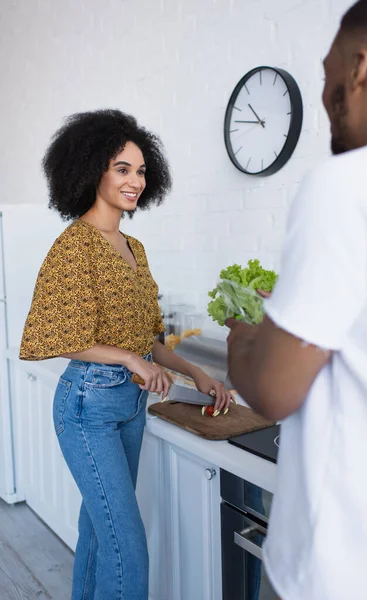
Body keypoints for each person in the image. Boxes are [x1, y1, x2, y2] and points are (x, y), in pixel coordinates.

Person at [20, 109, 232, 600]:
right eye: (122, 168)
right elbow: (55, 334)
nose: (135, 180)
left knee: (100, 535)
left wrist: (195, 371)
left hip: (131, 406)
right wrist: (130, 360)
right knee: (128, 547)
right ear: (92, 167)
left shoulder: (134, 245)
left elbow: (150, 338)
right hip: (87, 407)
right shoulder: (74, 245)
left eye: (140, 170)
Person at [227, 1, 367, 599]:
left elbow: (274, 390)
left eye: (327, 78)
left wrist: (244, 339)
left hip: (338, 570)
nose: (327, 100)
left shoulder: (351, 182)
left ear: (359, 66)